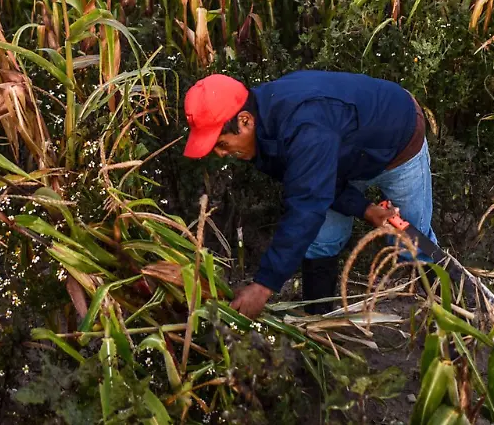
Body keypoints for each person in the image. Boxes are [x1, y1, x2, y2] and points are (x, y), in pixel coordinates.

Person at [182, 70, 438, 319]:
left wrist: (262, 287)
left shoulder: (303, 127)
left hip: (398, 141)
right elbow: (314, 181)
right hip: (341, 154)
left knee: (411, 241)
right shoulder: (264, 134)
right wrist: (365, 209)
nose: (220, 153)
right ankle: (320, 325)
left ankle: (450, 315)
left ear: (245, 120)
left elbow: (307, 206)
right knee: (322, 240)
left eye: (222, 144)